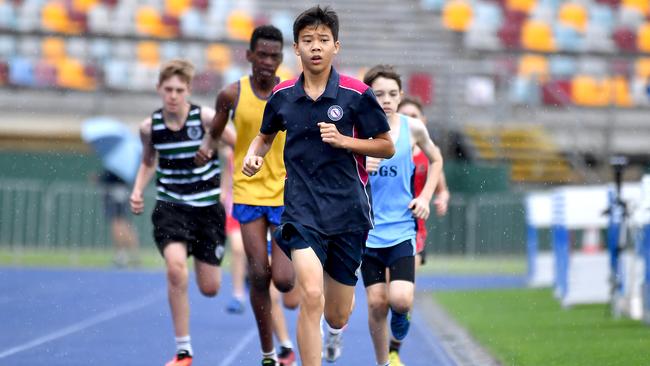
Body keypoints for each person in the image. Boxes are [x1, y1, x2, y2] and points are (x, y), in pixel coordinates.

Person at [242, 6, 395, 365]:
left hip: (347, 212)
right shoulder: (281, 96)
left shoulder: (357, 95)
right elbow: (263, 138)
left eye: (323, 40)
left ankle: (335, 322)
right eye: (308, 40)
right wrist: (255, 155)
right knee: (310, 293)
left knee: (336, 315)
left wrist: (347, 142)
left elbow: (385, 145)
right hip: (301, 210)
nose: (315, 47)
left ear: (336, 47)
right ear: (296, 48)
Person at [195, 25, 297, 366]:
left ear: (281, 58)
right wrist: (208, 147)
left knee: (283, 281)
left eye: (274, 56)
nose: (268, 62)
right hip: (248, 190)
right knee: (258, 274)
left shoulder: (291, 92)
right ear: (250, 55)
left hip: (285, 192)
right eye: (262, 55)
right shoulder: (231, 94)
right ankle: (268, 352)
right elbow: (217, 129)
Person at [129, 59, 235, 366]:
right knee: (176, 269)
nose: (173, 95)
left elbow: (237, 145)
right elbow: (149, 160)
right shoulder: (151, 128)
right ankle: (184, 351)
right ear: (159, 90)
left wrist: (213, 149)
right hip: (171, 206)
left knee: (210, 287)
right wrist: (137, 189)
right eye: (168, 89)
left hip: (207, 209)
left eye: (179, 90)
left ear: (188, 91)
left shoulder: (204, 118)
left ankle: (185, 345)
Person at [361, 65, 443, 366]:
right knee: (376, 303)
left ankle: (401, 318)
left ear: (401, 96)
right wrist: (358, 162)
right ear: (368, 95)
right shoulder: (358, 129)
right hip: (367, 233)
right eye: (379, 94)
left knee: (400, 300)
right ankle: (383, 362)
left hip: (401, 229)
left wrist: (425, 196)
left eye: (393, 94)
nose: (386, 99)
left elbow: (436, 159)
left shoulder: (413, 128)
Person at [397, 96, 450, 268]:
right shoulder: (383, 149)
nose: (410, 120)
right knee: (380, 294)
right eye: (404, 115)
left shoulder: (431, 155)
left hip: (414, 227)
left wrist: (442, 199)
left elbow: (442, 189)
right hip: (381, 225)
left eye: (414, 115)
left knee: (400, 290)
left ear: (423, 121)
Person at [219, 145, 248, 314]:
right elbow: (228, 175)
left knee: (255, 251)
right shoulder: (233, 152)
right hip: (235, 206)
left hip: (259, 204)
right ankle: (238, 294)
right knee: (238, 248)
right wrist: (223, 193)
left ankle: (250, 275)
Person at [99, 169, 140, 267]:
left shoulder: (118, 167)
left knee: (118, 224)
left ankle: (122, 254)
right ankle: (131, 254)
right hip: (120, 192)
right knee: (123, 224)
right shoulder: (125, 164)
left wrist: (100, 178)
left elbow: (111, 177)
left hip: (116, 193)